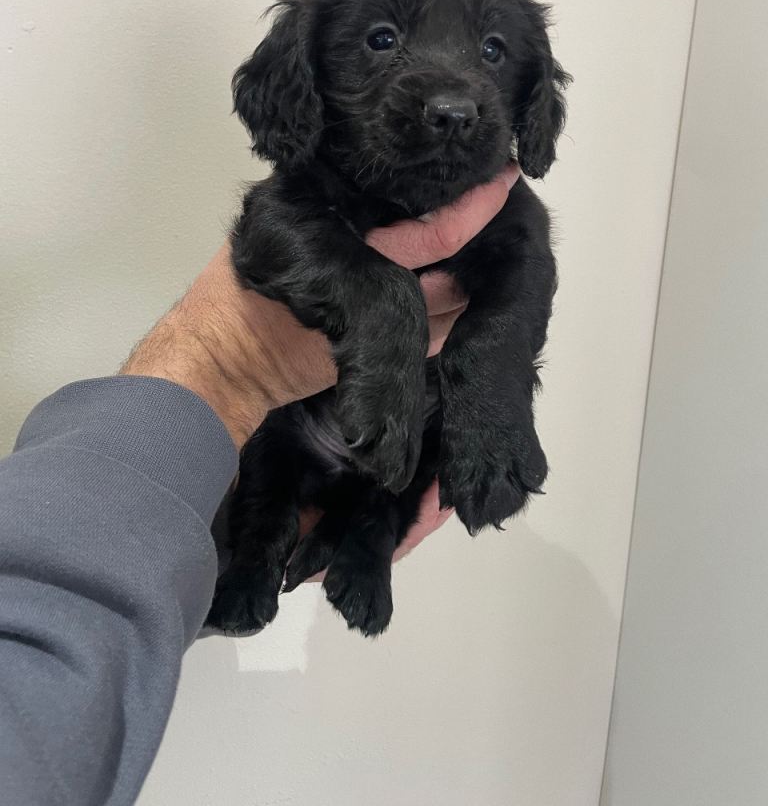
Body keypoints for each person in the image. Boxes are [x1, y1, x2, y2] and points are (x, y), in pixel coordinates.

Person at [0, 165, 519, 806]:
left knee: (385, 483)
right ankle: (267, 561)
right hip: (282, 436)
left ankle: (320, 550)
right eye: (380, 53)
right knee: (280, 458)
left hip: (367, 451)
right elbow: (45, 669)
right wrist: (226, 366)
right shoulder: (318, 184)